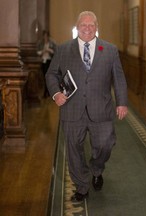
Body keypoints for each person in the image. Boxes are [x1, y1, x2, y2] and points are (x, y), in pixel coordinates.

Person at [45, 11, 128, 202]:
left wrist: (122, 102)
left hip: (102, 109)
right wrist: (56, 93)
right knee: (74, 149)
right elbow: (51, 74)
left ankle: (97, 169)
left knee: (105, 144)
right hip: (72, 109)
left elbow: (119, 78)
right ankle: (82, 186)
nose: (88, 28)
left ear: (97, 27)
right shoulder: (64, 49)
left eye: (92, 25)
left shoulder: (109, 50)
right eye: (84, 25)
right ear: (77, 27)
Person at [37, 30, 57, 97]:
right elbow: (37, 52)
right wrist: (43, 51)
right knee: (44, 76)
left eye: (46, 36)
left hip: (50, 61)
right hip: (43, 61)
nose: (45, 37)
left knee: (49, 77)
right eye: (44, 36)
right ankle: (46, 91)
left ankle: (48, 91)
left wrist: (50, 50)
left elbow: (56, 51)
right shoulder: (40, 43)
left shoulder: (52, 42)